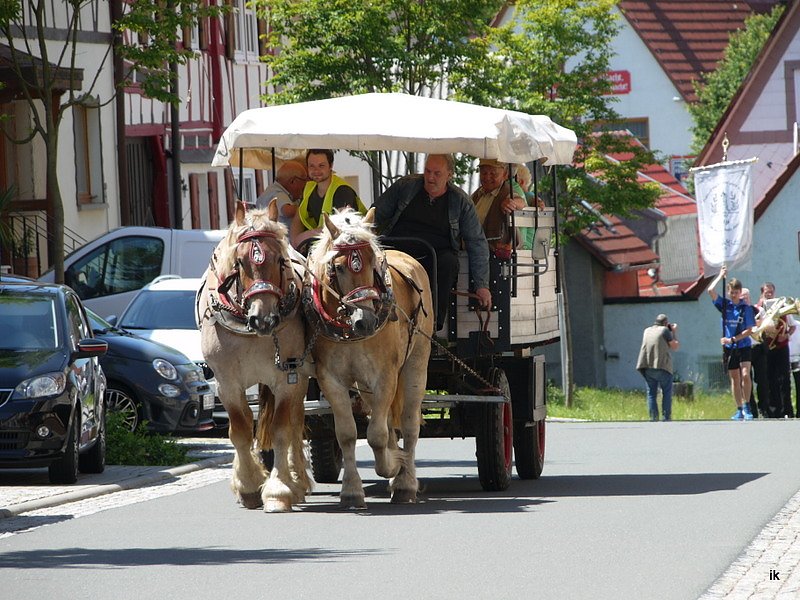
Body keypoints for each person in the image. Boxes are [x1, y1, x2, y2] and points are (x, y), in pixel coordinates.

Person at [373, 153, 491, 330]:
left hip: (434, 257)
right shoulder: (406, 186)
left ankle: (433, 325)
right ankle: (373, 317)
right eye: (427, 171)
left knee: (449, 263)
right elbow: (375, 214)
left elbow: (477, 243)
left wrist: (482, 286)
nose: (430, 177)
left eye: (437, 173)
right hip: (397, 250)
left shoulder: (460, 201)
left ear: (449, 175)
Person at [290, 149, 366, 251]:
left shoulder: (342, 191)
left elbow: (340, 227)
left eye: (321, 166)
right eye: (312, 166)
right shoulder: (309, 188)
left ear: (331, 166)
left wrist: (305, 236)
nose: (316, 171)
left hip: (350, 249)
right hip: (321, 246)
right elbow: (297, 219)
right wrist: (295, 244)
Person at [708, 266, 756, 420]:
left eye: (736, 292)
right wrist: (720, 276)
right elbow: (710, 290)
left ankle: (748, 405)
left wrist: (734, 339)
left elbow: (750, 330)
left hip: (743, 345)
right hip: (729, 348)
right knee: (735, 378)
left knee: (745, 375)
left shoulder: (746, 308)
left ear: (740, 292)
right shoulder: (725, 305)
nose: (734, 295)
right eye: (731, 292)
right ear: (728, 292)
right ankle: (739, 409)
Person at [470, 159, 527, 259]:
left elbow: (521, 202)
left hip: (492, 254)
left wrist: (511, 202)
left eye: (493, 174)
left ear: (505, 175)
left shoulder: (506, 192)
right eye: (484, 173)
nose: (487, 177)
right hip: (471, 250)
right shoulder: (477, 194)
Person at [757, 281, 796, 418]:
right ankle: (774, 410)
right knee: (769, 379)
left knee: (785, 379)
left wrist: (786, 335)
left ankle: (787, 410)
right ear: (762, 293)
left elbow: (792, 326)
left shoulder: (783, 307)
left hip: (782, 347)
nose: (769, 294)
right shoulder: (759, 309)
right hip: (767, 348)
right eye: (766, 292)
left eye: (771, 291)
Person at [636, 313, 679, 421]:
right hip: (662, 366)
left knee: (651, 394)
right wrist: (673, 332)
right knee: (666, 393)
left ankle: (653, 418)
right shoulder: (664, 331)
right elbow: (675, 346)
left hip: (648, 366)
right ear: (665, 323)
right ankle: (666, 417)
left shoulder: (647, 330)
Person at [254, 160, 308, 231]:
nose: (306, 185)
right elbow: (287, 211)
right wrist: (310, 209)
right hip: (282, 240)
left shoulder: (270, 190)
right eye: (304, 181)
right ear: (292, 181)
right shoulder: (278, 193)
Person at [742, 288, 763, 418]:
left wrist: (758, 322)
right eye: (742, 297)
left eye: (746, 297)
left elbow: (765, 324)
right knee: (746, 379)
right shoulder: (738, 311)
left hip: (758, 348)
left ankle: (763, 409)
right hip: (744, 348)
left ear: (750, 298)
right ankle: (751, 410)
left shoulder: (757, 311)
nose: (744, 299)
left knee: (762, 380)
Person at [789, 323, 800, 418]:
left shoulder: (798, 325)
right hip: (781, 358)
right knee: (783, 385)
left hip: (797, 358)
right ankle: (786, 411)